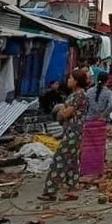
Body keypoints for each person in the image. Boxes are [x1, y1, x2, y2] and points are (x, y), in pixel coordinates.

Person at [38, 69, 90, 201]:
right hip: (73, 130)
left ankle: (50, 191)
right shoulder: (77, 95)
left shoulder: (79, 95)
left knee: (59, 159)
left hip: (73, 131)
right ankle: (72, 187)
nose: (68, 81)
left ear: (77, 81)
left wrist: (62, 110)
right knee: (71, 160)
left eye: (71, 78)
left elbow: (66, 113)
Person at [80, 71, 112, 179]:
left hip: (88, 121)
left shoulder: (89, 91)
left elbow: (84, 105)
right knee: (99, 147)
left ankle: (85, 169)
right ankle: (98, 170)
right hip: (100, 123)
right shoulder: (108, 92)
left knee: (87, 147)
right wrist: (104, 115)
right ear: (107, 81)